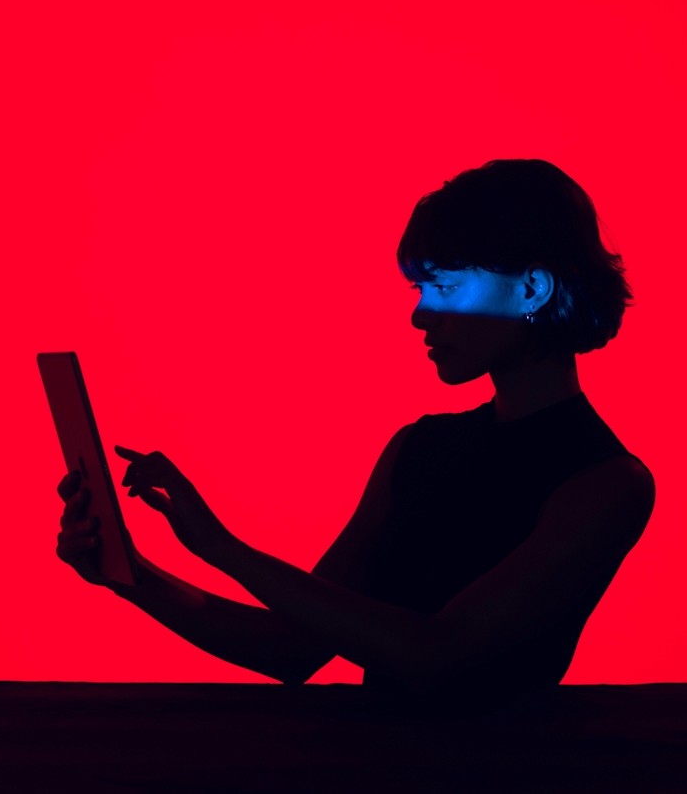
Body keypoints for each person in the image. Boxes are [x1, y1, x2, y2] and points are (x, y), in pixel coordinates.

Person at [56, 159, 654, 699]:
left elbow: (437, 656)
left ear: (532, 289)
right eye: (421, 288)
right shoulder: (419, 448)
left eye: (446, 286)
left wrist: (220, 548)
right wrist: (131, 573)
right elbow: (292, 647)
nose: (421, 314)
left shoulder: (607, 485)